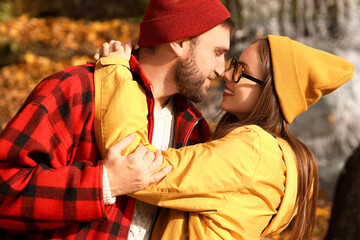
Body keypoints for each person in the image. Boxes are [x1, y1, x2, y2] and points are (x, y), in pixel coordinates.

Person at [0, 0, 234, 239]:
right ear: (179, 41)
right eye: (217, 53)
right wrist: (105, 183)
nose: (221, 69)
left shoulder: (195, 129)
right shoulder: (77, 90)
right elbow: (5, 192)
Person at [94, 35, 354, 239]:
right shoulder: (265, 152)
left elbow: (136, 167)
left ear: (270, 91)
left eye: (241, 69)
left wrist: (115, 71)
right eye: (233, 64)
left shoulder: (253, 150)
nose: (227, 75)